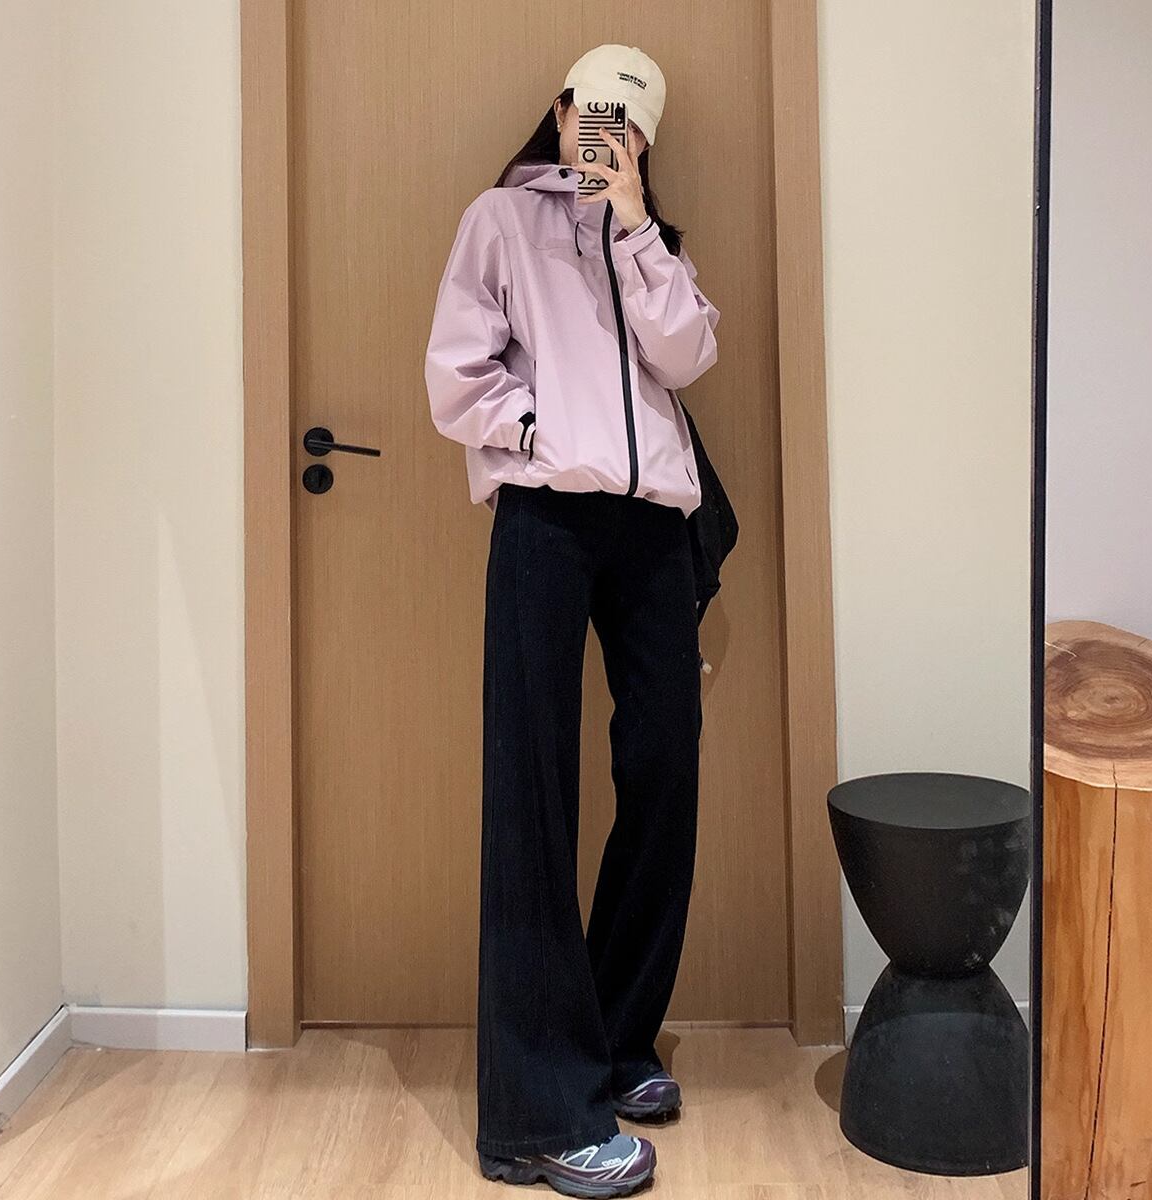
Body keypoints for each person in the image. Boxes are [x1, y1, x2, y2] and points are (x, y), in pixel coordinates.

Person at [424, 43, 720, 1198]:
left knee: (665, 773)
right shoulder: (499, 221)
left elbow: (688, 353)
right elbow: (456, 375)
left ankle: (615, 1038)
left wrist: (635, 224)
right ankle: (537, 1117)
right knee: (534, 793)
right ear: (558, 111)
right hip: (545, 519)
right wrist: (543, 435)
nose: (607, 137)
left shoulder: (652, 240)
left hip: (654, 533)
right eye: (595, 114)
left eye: (630, 125)